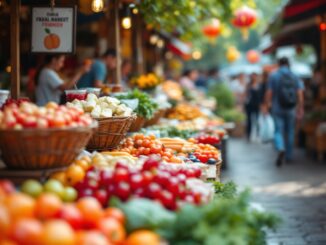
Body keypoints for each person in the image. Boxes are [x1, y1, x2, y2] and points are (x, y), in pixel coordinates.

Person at [265, 57, 304, 166]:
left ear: (279, 64)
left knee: (278, 130)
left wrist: (267, 104)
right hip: (291, 108)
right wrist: (300, 107)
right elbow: (300, 94)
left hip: (277, 108)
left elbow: (269, 92)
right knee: (290, 131)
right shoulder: (295, 76)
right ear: (288, 64)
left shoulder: (274, 75)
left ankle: (280, 147)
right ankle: (289, 156)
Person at [245, 73, 261, 141]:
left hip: (257, 105)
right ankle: (248, 134)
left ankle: (258, 134)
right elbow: (246, 94)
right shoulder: (249, 85)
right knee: (249, 120)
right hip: (249, 105)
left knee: (257, 120)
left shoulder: (259, 85)